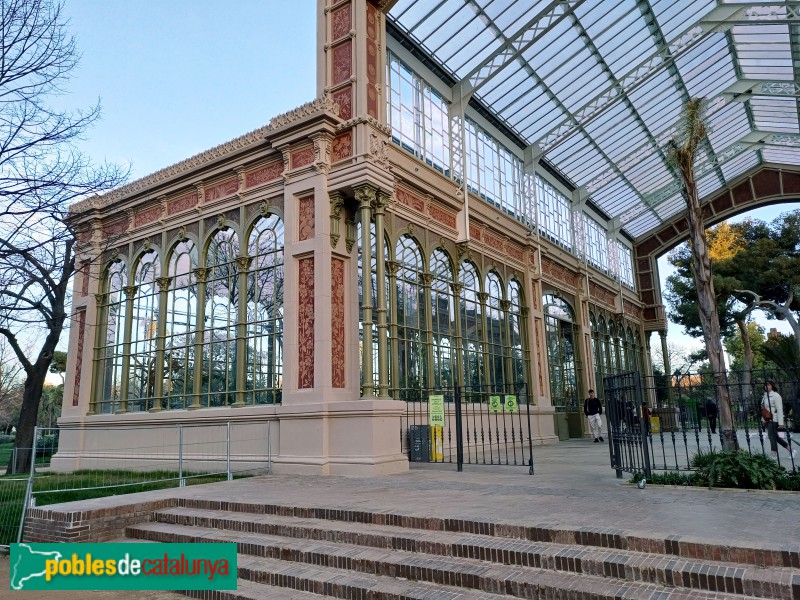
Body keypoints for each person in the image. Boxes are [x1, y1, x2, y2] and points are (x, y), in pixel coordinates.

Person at [762, 380, 793, 460]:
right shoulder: (765, 395)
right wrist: (764, 419)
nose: (766, 386)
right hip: (768, 419)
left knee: (771, 436)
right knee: (775, 437)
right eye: (765, 385)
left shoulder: (776, 395)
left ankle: (774, 454)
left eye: (769, 385)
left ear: (772, 386)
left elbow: (779, 409)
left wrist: (781, 422)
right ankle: (791, 450)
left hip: (774, 419)